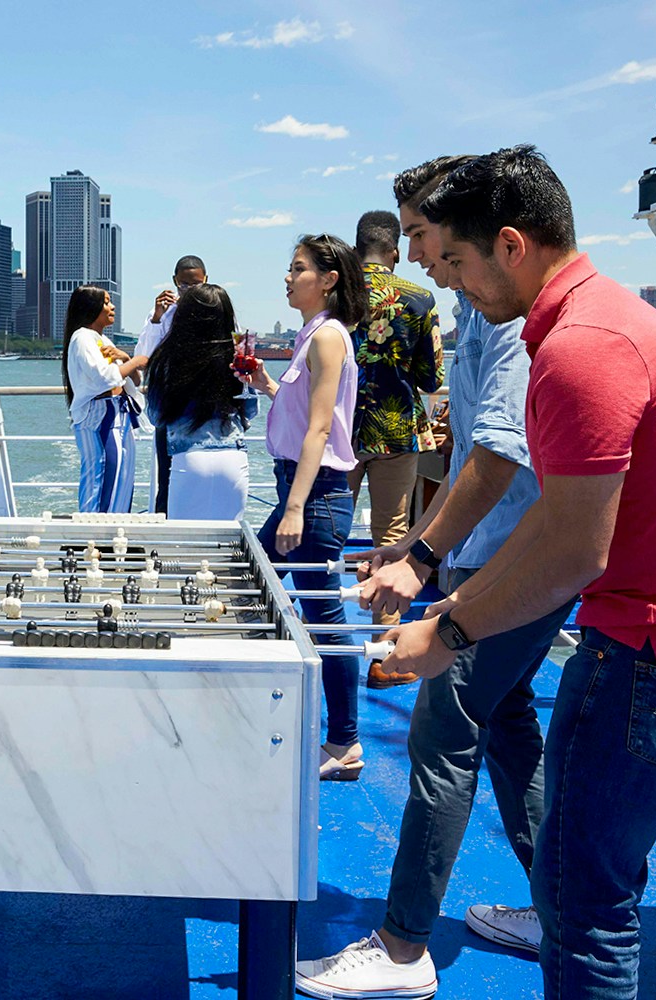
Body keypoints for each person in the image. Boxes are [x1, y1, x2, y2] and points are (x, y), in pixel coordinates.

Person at [379, 145, 656, 1000]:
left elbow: (578, 549)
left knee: (587, 911)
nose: (453, 282)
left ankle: (400, 945)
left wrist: (450, 629)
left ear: (510, 245)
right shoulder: (613, 318)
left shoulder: (577, 349)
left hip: (634, 651)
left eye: (456, 261)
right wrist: (453, 604)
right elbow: (565, 509)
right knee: (594, 882)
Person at [296, 156, 572, 1000]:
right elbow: (468, 456)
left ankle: (404, 946)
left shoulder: (508, 316)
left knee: (442, 732)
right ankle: (554, 909)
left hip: (512, 559)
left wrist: (421, 561)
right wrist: (416, 540)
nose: (419, 257)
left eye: (429, 239)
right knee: (514, 727)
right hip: (484, 546)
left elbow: (496, 455)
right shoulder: (468, 309)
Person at [236, 234, 367, 780]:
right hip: (303, 487)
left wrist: (293, 509)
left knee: (317, 619)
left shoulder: (329, 337)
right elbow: (306, 418)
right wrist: (267, 385)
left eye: (298, 269)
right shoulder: (309, 335)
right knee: (270, 596)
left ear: (329, 279)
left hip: (314, 496)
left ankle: (344, 744)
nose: (287, 278)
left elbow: (320, 430)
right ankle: (335, 737)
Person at [346, 209, 445, 688]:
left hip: (339, 434)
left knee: (324, 534)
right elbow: (431, 378)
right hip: (395, 430)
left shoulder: (334, 293)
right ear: (393, 251)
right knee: (389, 539)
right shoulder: (420, 299)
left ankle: (308, 641)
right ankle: (384, 659)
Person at [144, 282, 255, 520]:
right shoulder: (238, 357)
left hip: (189, 457)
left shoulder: (166, 358)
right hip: (233, 457)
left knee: (183, 547)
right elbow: (251, 409)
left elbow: (155, 416)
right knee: (230, 547)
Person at [134, 254, 208, 513]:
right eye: (184, 285)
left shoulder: (215, 309)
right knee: (167, 478)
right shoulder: (162, 315)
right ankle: (163, 537)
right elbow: (144, 357)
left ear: (206, 281)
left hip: (204, 407)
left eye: (196, 284)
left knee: (202, 475)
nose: (189, 291)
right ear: (175, 282)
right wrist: (156, 318)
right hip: (170, 407)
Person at [63, 285, 145, 513]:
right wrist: (136, 361)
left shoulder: (103, 340)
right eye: (106, 302)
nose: (112, 306)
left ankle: (116, 529)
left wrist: (128, 358)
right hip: (100, 415)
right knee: (103, 472)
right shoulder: (82, 338)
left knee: (122, 473)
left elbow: (133, 382)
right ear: (92, 308)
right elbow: (104, 377)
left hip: (119, 413)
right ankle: (95, 532)